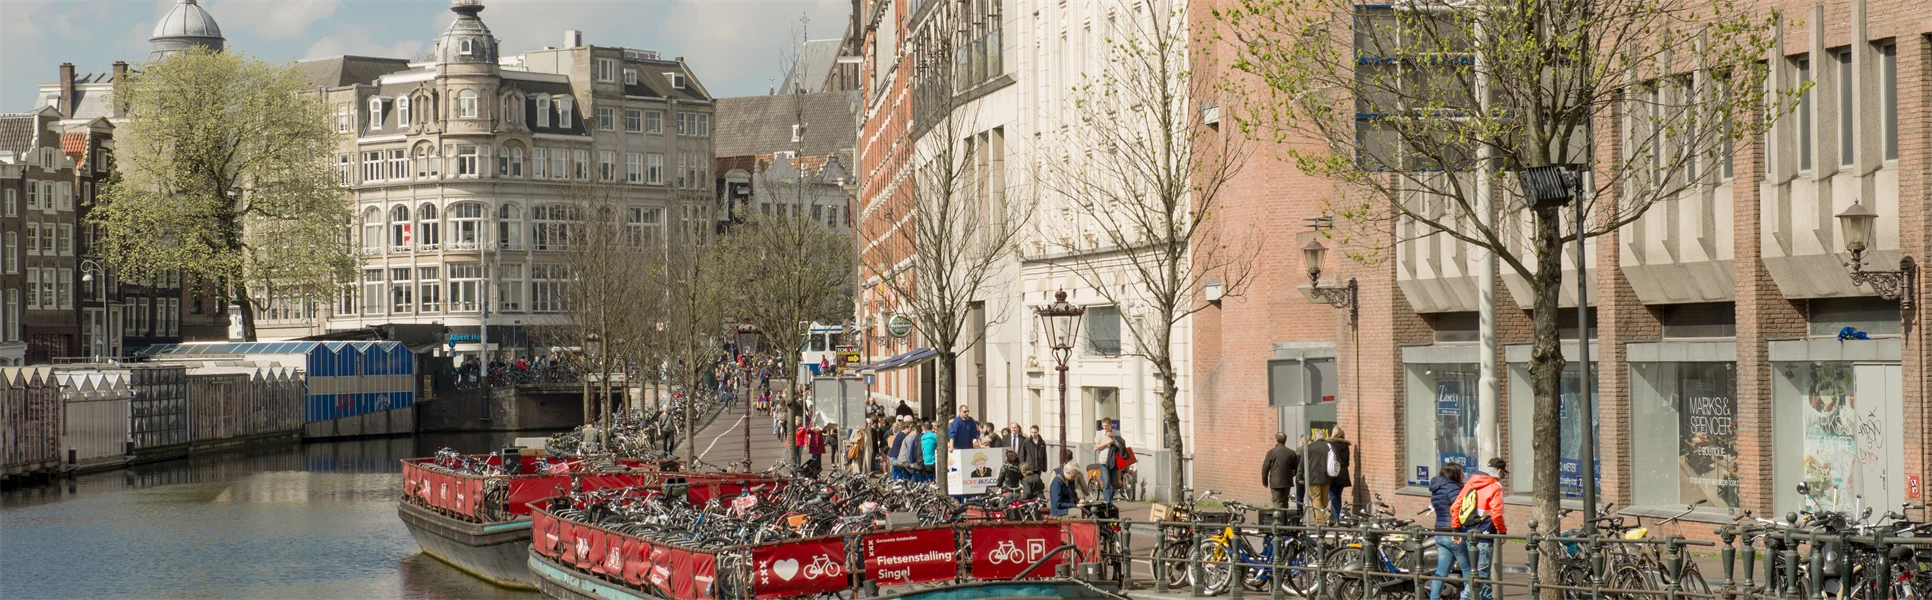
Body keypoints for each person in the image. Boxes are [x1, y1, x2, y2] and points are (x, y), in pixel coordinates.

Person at [1452, 458, 1508, 600]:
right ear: (1499, 471)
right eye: (1504, 474)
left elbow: (1456, 507)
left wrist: (1456, 530)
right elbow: (1496, 514)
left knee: (1483, 577)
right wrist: (1502, 532)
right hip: (1484, 534)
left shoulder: (1471, 483)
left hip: (1467, 533)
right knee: (1480, 576)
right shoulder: (1496, 487)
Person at [1429, 463, 1471, 600]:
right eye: (1461, 473)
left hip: (1440, 531)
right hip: (1453, 532)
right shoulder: (1452, 487)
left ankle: (1433, 598)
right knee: (1468, 569)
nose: (1463, 475)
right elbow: (1458, 508)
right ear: (1454, 474)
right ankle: (1468, 597)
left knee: (1441, 571)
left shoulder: (1436, 488)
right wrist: (1457, 531)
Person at [1261, 432, 1301, 509]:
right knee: (1285, 500)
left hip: (1275, 481)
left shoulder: (1271, 452)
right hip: (1287, 481)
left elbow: (1265, 468)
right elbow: (1296, 467)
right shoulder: (1291, 453)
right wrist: (1291, 475)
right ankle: (1285, 518)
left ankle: (1279, 518)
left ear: (1276, 440)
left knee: (1277, 500)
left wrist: (1264, 481)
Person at [1302, 432, 1333, 524]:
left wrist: (1300, 475)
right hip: (1326, 476)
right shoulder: (1329, 447)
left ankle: (1320, 520)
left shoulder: (1309, 447)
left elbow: (1302, 462)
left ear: (1315, 437)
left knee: (1316, 498)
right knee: (1323, 498)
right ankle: (1322, 517)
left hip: (1313, 477)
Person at [1093, 419, 1124, 502]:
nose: (1104, 428)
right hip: (1104, 461)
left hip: (1114, 461)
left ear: (1110, 425)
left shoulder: (1117, 433)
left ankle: (1110, 500)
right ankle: (1107, 501)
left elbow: (1121, 446)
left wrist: (1113, 439)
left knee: (1113, 483)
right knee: (1106, 481)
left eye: (1106, 426)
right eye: (1103, 426)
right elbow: (1095, 448)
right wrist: (1106, 443)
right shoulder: (1099, 434)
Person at [1327, 430, 1353, 521]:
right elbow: (1347, 462)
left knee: (1332, 494)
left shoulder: (1330, 444)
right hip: (1343, 472)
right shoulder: (1346, 446)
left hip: (1333, 472)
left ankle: (1339, 512)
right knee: (1338, 495)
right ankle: (1337, 517)